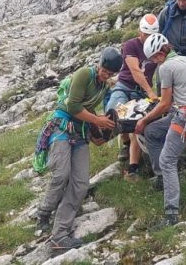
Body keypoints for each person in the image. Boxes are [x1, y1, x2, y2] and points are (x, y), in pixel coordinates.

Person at [37, 47, 120, 256]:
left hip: (81, 132)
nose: (106, 74)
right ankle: (45, 211)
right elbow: (74, 106)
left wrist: (98, 133)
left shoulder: (104, 86)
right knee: (61, 174)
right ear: (99, 64)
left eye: (110, 73)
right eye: (105, 70)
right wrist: (98, 121)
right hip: (62, 127)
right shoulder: (85, 74)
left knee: (81, 183)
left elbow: (89, 109)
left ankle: (60, 235)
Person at [135, 33, 186, 227]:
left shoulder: (166, 67)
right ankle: (162, 178)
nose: (154, 62)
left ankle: (171, 214)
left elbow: (165, 104)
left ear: (160, 54)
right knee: (153, 132)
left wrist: (144, 119)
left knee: (167, 160)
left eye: (153, 59)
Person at [104, 14, 160, 179]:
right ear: (140, 31)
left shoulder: (157, 46)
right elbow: (135, 71)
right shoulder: (130, 45)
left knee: (138, 123)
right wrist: (150, 92)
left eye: (150, 35)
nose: (146, 38)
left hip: (141, 92)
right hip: (125, 86)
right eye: (144, 34)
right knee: (115, 113)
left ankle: (133, 166)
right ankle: (126, 143)